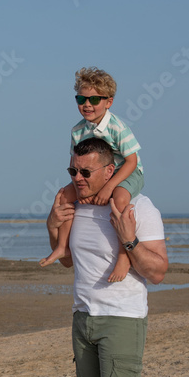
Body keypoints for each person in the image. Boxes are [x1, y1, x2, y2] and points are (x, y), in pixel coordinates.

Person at [46, 136, 167, 377]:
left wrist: (128, 238)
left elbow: (158, 272)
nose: (77, 178)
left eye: (85, 172)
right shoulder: (76, 207)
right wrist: (52, 225)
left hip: (122, 318)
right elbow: (67, 264)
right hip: (84, 317)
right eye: (72, 171)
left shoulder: (139, 207)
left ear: (110, 171)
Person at [40, 67, 145, 283]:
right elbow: (74, 162)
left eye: (94, 99)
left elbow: (132, 161)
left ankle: (124, 256)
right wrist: (80, 188)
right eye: (81, 98)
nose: (87, 104)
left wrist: (108, 187)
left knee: (119, 199)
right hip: (93, 174)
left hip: (126, 172)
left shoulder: (117, 127)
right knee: (64, 196)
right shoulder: (77, 131)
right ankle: (62, 247)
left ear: (109, 102)